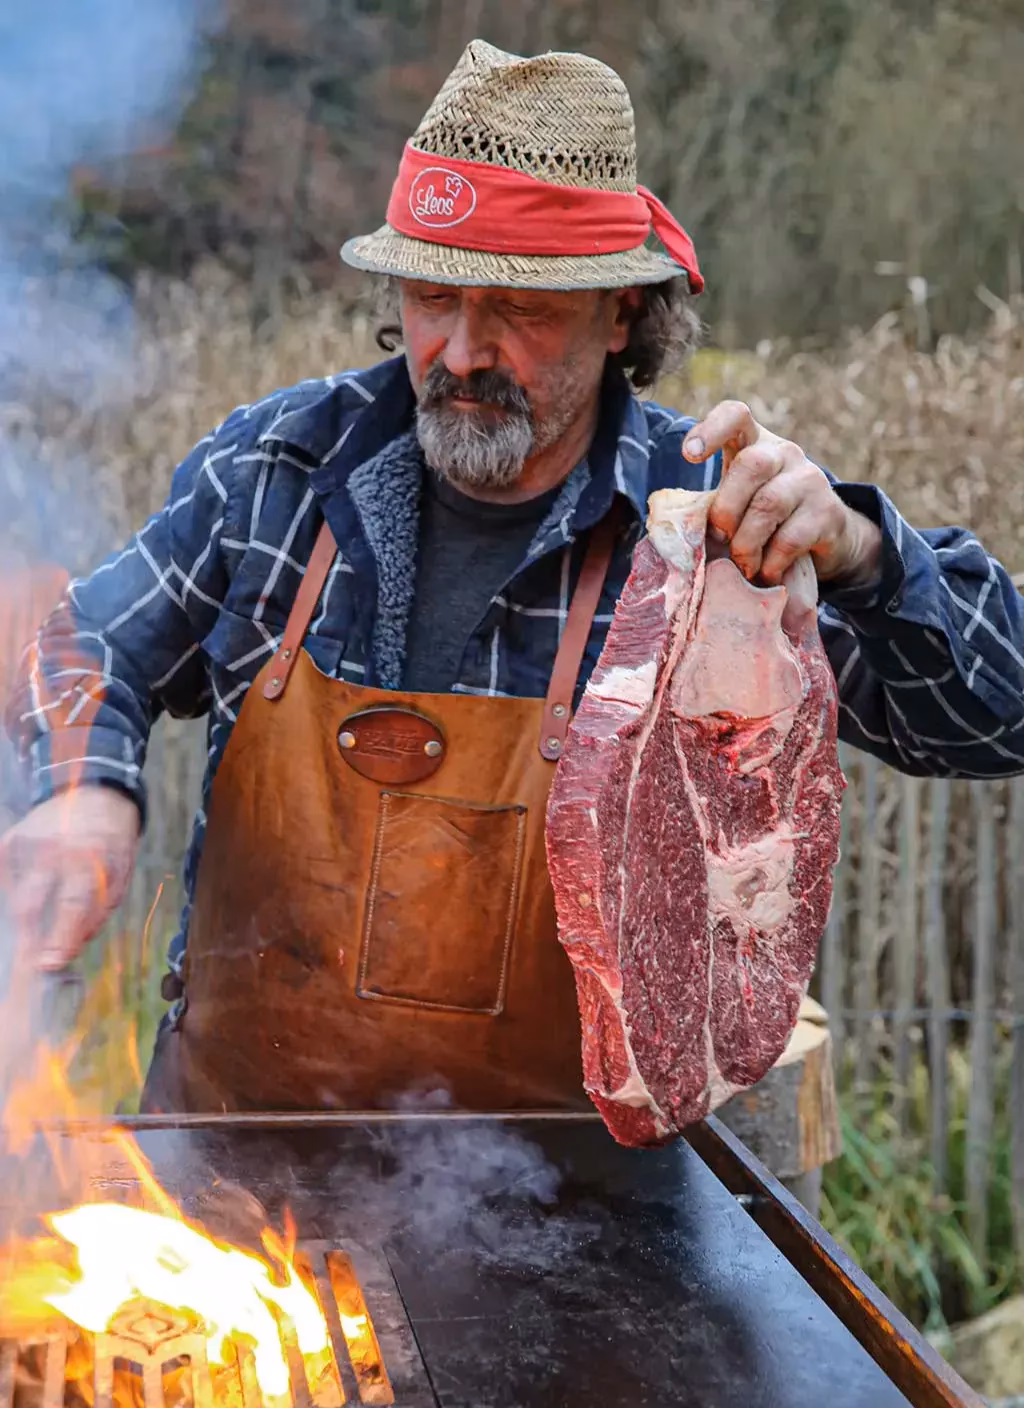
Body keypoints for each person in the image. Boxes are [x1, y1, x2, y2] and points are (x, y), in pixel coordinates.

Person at [4, 40, 1023, 1114]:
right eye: (435, 298)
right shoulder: (275, 473)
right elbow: (87, 643)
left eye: (518, 309)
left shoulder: (715, 531)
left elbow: (999, 717)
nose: (461, 351)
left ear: (623, 310)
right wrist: (81, 794)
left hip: (569, 1203)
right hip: (235, 1165)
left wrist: (862, 554)